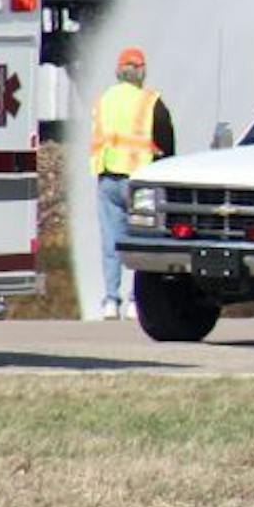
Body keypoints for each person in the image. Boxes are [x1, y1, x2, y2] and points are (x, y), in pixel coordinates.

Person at [91, 46, 175, 320]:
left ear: (118, 71)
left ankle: (109, 302)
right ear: (141, 71)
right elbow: (166, 142)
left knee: (111, 243)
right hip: (140, 183)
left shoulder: (104, 99)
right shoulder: (151, 102)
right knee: (141, 242)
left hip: (107, 178)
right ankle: (135, 301)